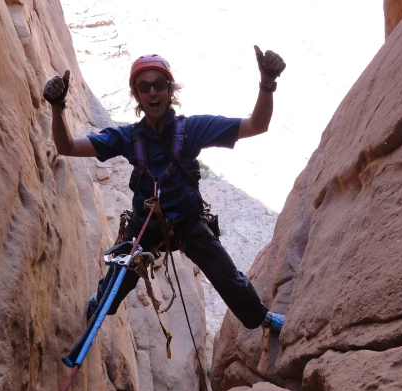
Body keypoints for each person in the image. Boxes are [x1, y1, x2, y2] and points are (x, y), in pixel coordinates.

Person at [43, 46, 286, 331]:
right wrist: (58, 108)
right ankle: (102, 301)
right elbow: (67, 146)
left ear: (170, 90)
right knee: (115, 287)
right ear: (136, 95)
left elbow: (257, 125)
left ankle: (261, 318)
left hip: (188, 222)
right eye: (144, 87)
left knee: (228, 278)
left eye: (158, 85)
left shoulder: (192, 129)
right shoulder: (128, 136)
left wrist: (267, 84)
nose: (152, 93)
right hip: (145, 227)